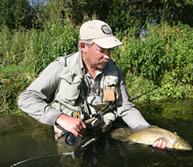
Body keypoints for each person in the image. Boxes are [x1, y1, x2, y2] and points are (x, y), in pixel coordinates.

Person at [18, 20, 166, 149]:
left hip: (105, 131)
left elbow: (125, 108)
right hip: (71, 136)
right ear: (84, 46)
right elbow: (26, 99)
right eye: (101, 50)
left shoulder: (114, 71)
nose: (107, 56)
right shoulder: (60, 68)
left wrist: (150, 132)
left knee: (140, 146)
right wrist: (61, 118)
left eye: (109, 50)